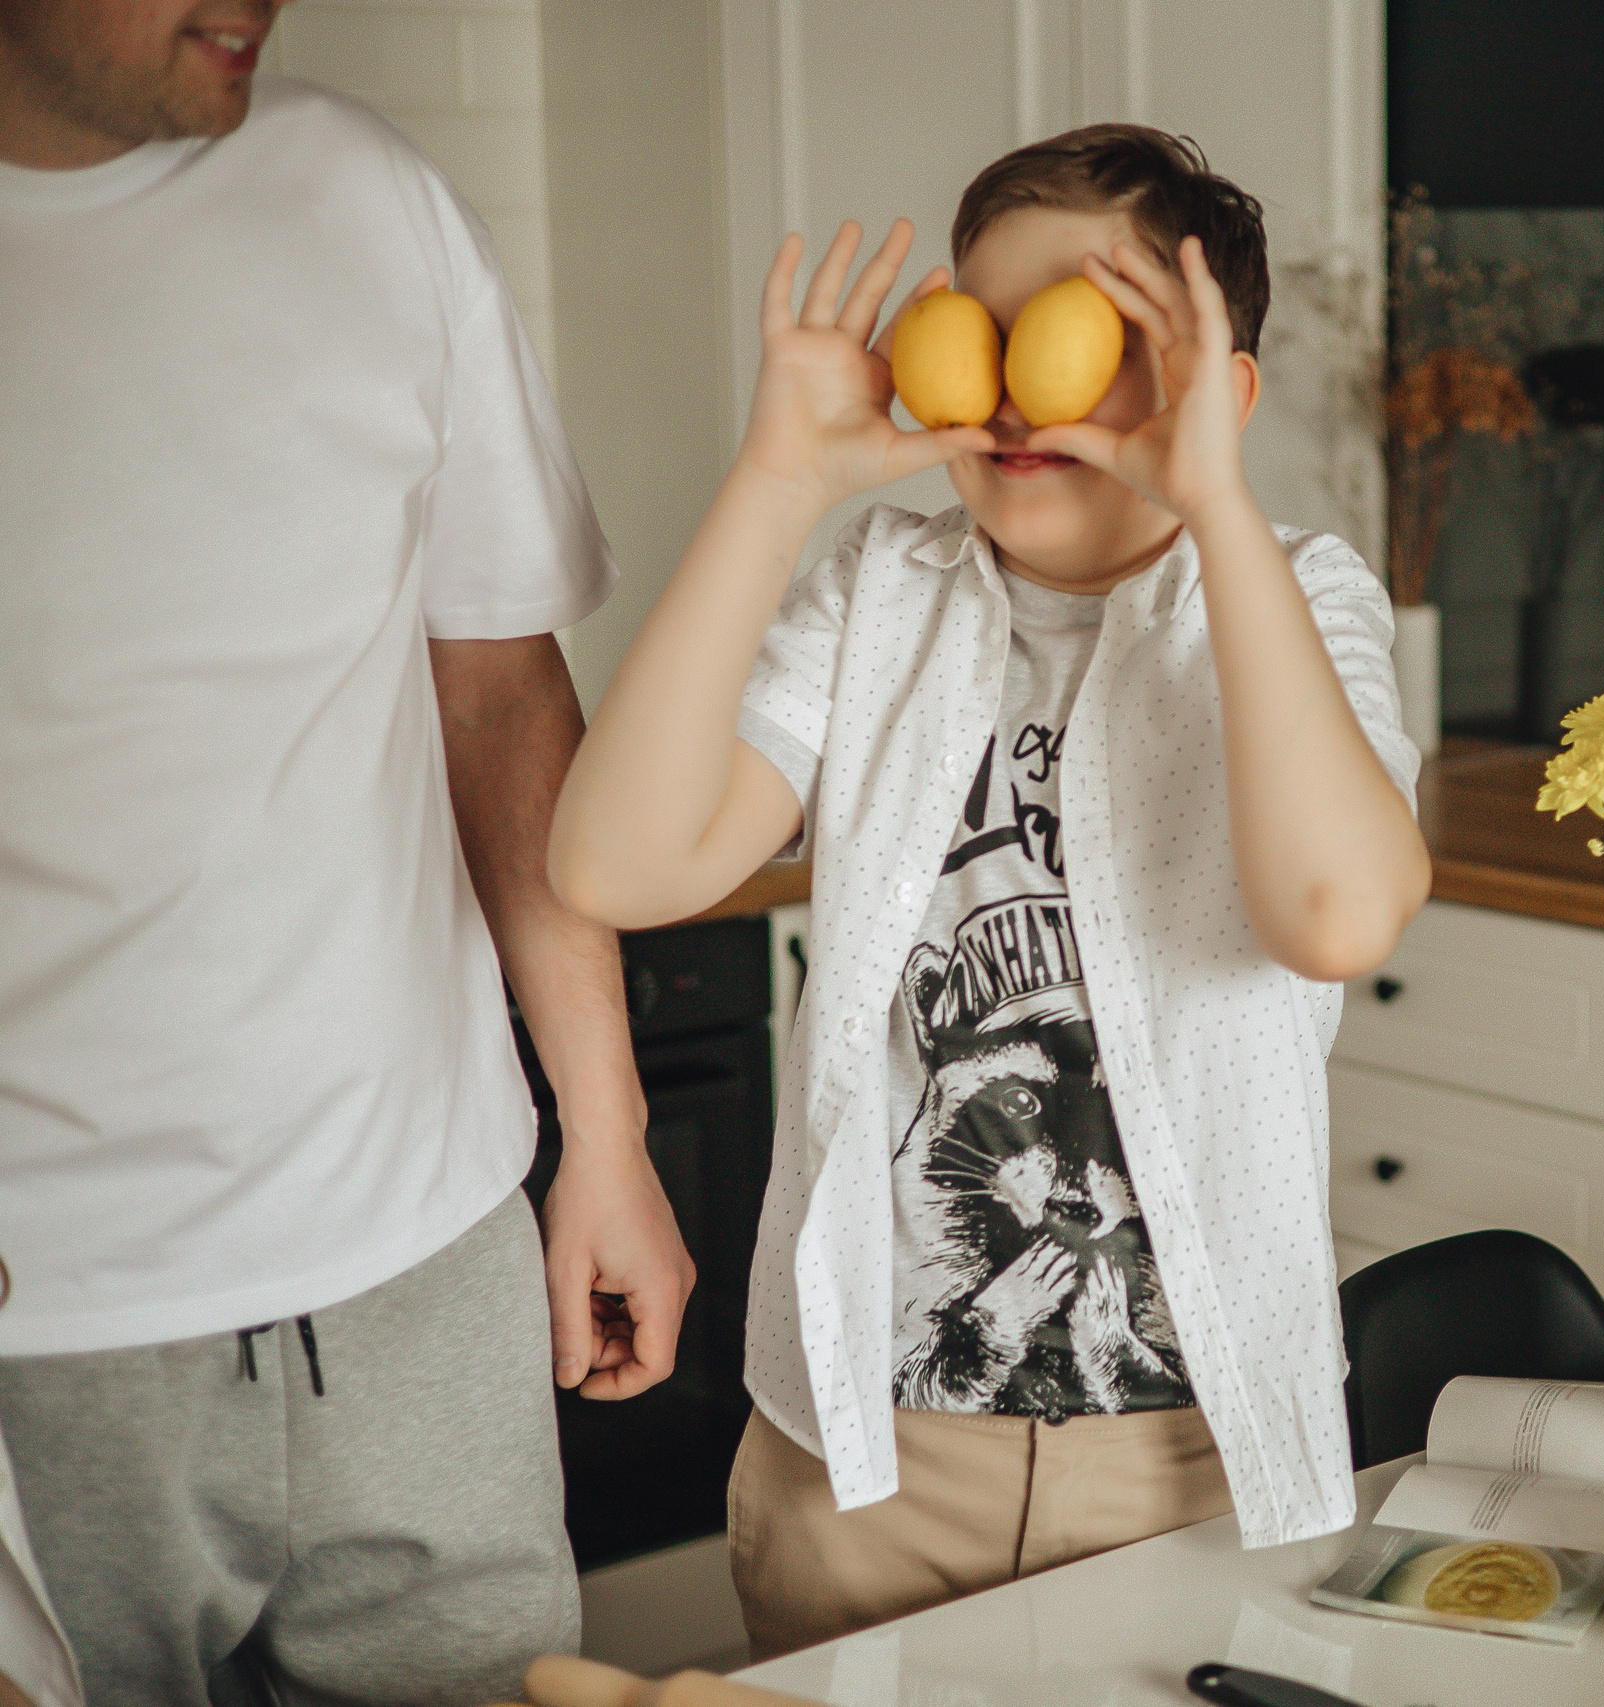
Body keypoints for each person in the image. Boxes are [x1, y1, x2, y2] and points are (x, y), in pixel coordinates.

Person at [548, 124, 1431, 1655]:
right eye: (985, 327)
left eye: (1088, 336)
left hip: (1187, 1449)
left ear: (1218, 379)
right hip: (864, 1455)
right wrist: (777, 480)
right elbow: (616, 865)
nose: (1022, 388)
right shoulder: (873, 590)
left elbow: (1337, 915)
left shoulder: (1298, 593)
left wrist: (1217, 511)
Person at [0, 4, 695, 1702]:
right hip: (55, 1320)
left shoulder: (368, 196)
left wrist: (601, 1130)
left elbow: (503, 698)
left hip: (425, 1254)